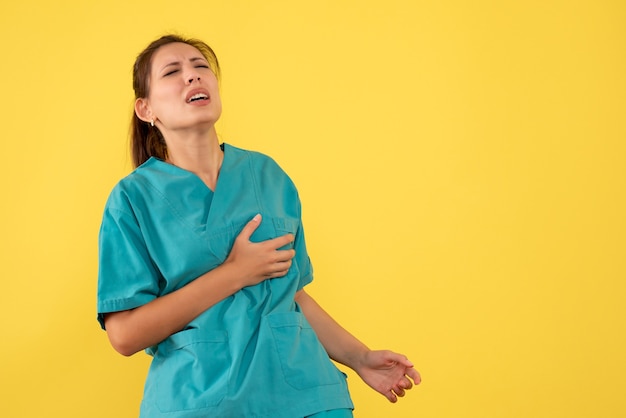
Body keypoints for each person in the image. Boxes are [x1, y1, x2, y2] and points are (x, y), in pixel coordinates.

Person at [97, 34, 420, 418]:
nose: (193, 77)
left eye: (201, 68)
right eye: (173, 72)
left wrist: (360, 357)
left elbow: (291, 294)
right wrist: (234, 273)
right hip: (202, 401)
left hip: (307, 394)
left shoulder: (268, 176)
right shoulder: (133, 200)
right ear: (146, 108)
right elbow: (125, 334)